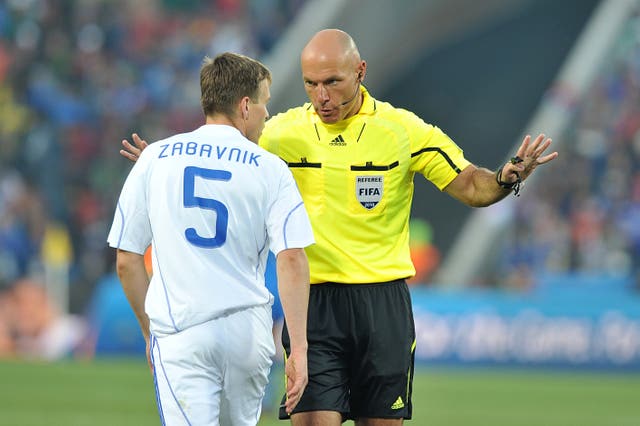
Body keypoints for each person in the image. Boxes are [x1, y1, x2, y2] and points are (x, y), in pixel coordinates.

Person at [121, 30, 558, 425]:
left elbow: (469, 186)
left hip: (382, 302)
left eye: (332, 82)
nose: (321, 95)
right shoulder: (280, 133)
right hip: (313, 303)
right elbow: (222, 158)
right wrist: (164, 166)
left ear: (360, 71)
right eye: (311, 83)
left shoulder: (402, 130)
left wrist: (506, 177)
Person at [108, 52, 315, 425]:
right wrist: (297, 348)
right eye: (265, 104)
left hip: (181, 331)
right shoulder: (271, 169)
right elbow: (292, 259)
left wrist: (148, 333)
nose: (267, 114)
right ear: (246, 105)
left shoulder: (155, 159)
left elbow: (127, 261)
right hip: (247, 333)